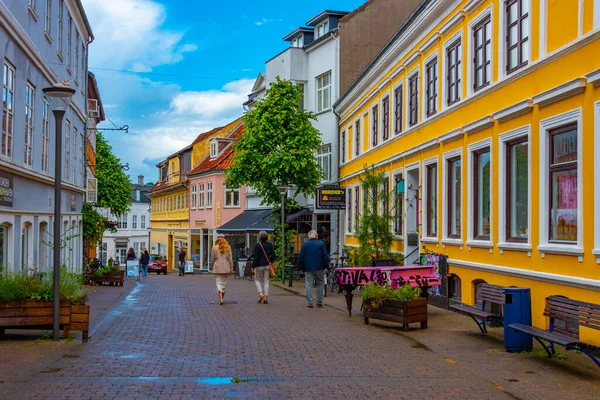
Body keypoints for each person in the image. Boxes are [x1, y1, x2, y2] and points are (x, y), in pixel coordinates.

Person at [297, 230, 329, 308]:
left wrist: (300, 267)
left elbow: (301, 257)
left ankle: (309, 302)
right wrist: (326, 266)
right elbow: (325, 256)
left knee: (308, 284)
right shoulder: (321, 244)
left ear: (309, 237)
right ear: (316, 236)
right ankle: (319, 301)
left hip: (308, 268)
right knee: (320, 283)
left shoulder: (305, 245)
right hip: (319, 267)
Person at [253, 231, 275, 304]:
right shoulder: (270, 245)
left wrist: (253, 266)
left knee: (257, 279)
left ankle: (260, 293)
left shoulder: (257, 245)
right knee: (266, 281)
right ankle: (265, 297)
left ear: (260, 237)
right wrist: (270, 261)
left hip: (258, 265)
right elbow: (273, 255)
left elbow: (255, 257)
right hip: (267, 265)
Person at [211, 234, 234, 305]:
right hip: (226, 268)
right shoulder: (228, 247)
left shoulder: (214, 248)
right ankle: (222, 298)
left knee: (218, 283)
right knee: (224, 284)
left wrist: (212, 267)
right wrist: (231, 269)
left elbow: (212, 259)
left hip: (217, 268)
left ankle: (221, 298)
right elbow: (230, 259)